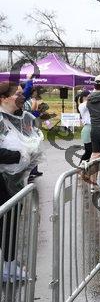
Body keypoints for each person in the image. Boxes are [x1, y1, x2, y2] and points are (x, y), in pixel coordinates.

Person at [0, 81, 43, 281]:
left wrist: (32, 150)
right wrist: (19, 155)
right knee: (7, 221)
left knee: (11, 220)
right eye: (17, 93)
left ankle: (8, 262)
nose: (22, 96)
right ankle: (7, 267)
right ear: (3, 98)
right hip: (2, 180)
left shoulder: (16, 118)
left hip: (14, 179)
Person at [77, 90, 92, 165]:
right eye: (89, 96)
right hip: (87, 129)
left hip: (92, 128)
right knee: (89, 151)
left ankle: (85, 168)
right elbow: (88, 102)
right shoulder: (82, 105)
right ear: (84, 97)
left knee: (92, 151)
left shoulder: (89, 104)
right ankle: (80, 168)